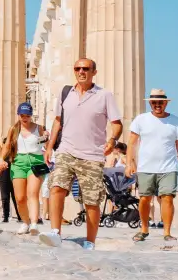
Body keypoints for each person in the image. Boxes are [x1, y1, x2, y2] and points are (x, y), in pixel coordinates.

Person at [40, 58, 123, 250]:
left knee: (91, 200)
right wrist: (50, 146)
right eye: (77, 68)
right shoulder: (65, 93)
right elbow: (57, 121)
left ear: (94, 72)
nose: (81, 71)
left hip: (92, 155)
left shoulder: (105, 95)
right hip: (66, 151)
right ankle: (55, 233)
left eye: (86, 68)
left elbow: (117, 124)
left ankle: (90, 241)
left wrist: (112, 141)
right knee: (56, 187)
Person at [125, 88, 178, 243]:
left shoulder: (176, 121)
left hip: (169, 167)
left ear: (165, 103)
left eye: (160, 102)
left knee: (167, 198)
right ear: (150, 103)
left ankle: (167, 232)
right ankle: (144, 229)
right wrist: (129, 163)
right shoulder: (141, 119)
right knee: (145, 199)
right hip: (146, 167)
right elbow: (131, 143)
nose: (157, 105)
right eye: (154, 102)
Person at [0, 102, 47, 235]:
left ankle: (34, 224)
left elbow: (46, 143)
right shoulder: (13, 129)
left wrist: (46, 138)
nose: (24, 118)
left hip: (36, 161)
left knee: (32, 193)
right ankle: (25, 222)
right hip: (18, 162)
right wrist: (1, 159)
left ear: (31, 115)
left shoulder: (39, 128)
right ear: (18, 115)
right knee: (19, 197)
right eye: (22, 115)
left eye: (27, 115)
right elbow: (7, 145)